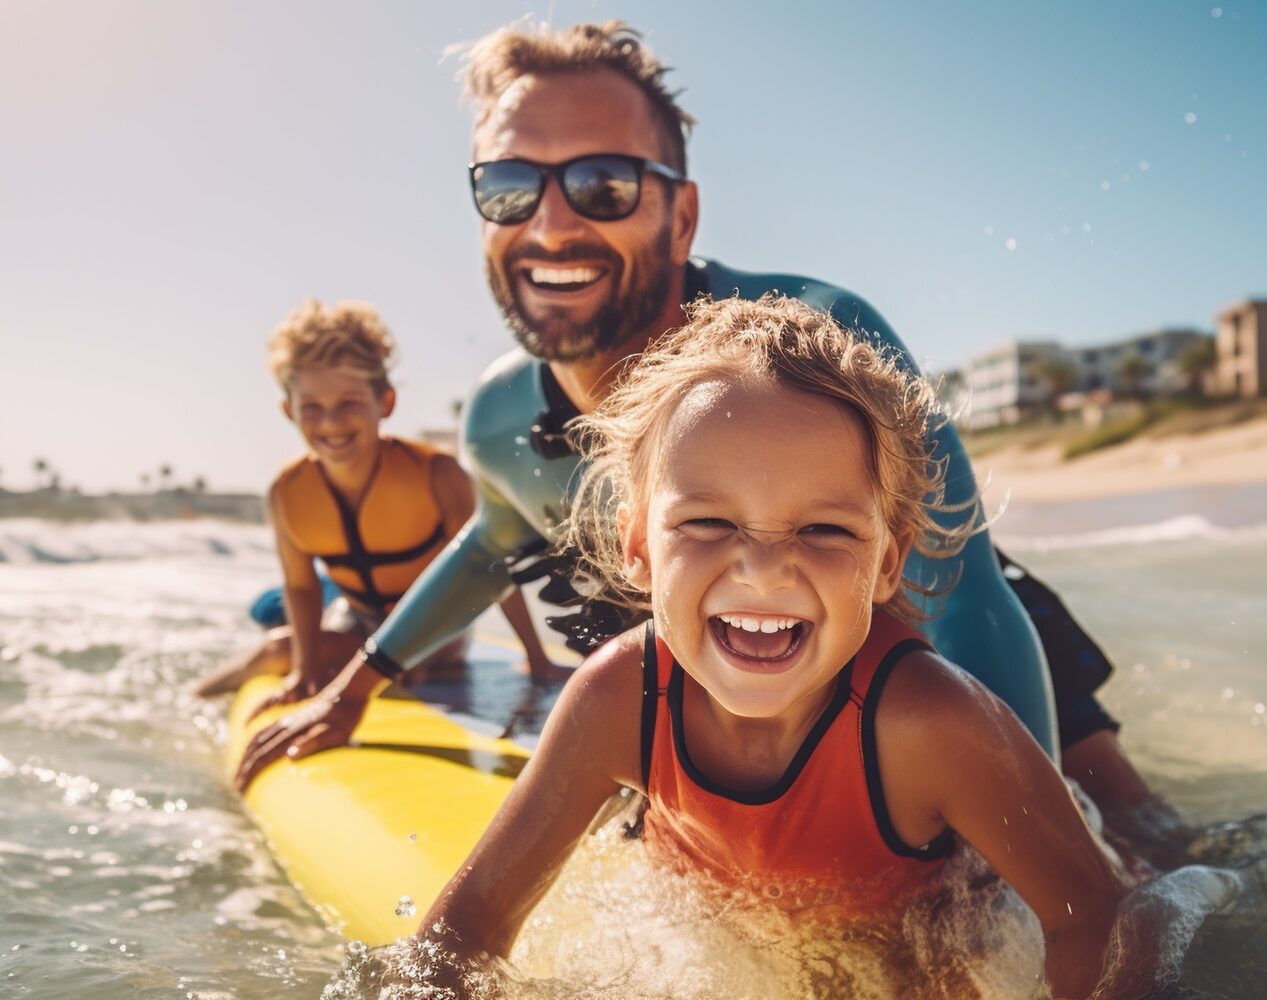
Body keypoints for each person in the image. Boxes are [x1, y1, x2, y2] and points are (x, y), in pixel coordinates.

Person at [236, 22, 1185, 868]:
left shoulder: (821, 336)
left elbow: (956, 586)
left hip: (934, 622)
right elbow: (488, 548)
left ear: (681, 216)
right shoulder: (497, 420)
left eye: (603, 185)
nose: (552, 224)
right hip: (723, 659)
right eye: (510, 186)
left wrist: (1004, 879)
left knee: (1140, 838)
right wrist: (353, 689)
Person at [407, 295, 1127, 998]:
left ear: (886, 562)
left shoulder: (926, 723)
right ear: (638, 546)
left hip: (918, 953)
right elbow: (464, 933)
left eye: (824, 530)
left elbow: (1093, 919)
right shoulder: (617, 700)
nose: (762, 569)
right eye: (707, 522)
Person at [200, 299, 567, 701]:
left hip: (436, 630)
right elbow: (301, 589)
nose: (331, 422)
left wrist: (537, 660)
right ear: (289, 411)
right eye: (312, 408)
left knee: (408, 659)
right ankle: (192, 701)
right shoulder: (287, 492)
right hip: (355, 620)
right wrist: (304, 672)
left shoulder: (435, 475)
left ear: (385, 402)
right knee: (275, 649)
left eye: (349, 404)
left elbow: (493, 562)